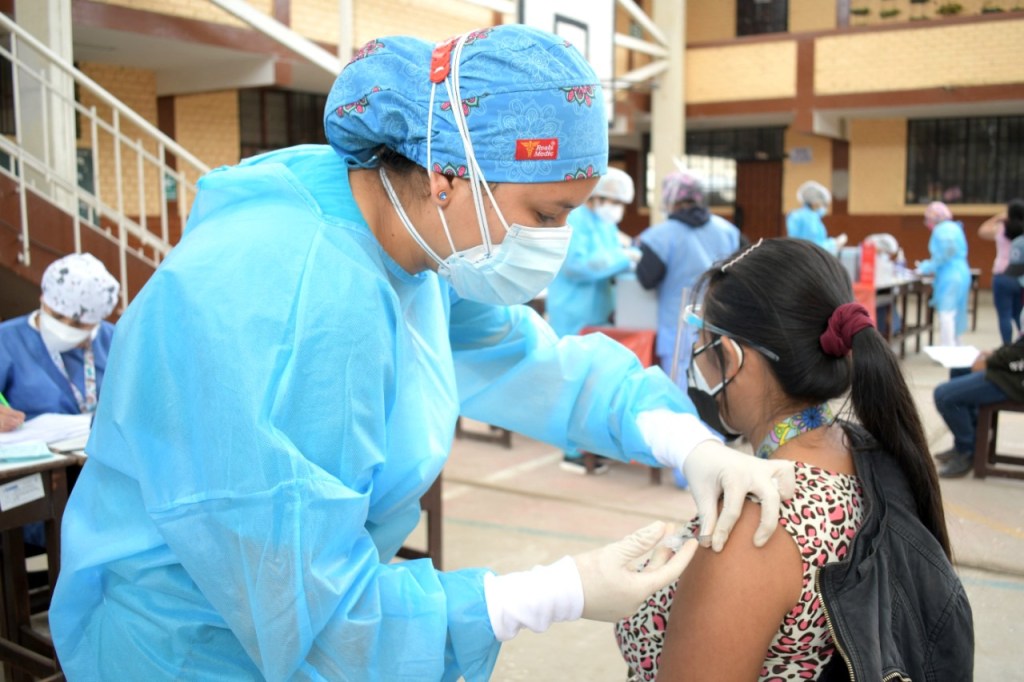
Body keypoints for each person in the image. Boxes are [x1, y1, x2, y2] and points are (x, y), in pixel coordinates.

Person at [49, 26, 795, 681]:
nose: (557, 244)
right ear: (445, 177)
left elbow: (531, 363)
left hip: (296, 607)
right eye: (545, 214)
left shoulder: (416, 248)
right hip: (192, 644)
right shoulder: (278, 296)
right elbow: (310, 607)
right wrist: (556, 591)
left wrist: (689, 445)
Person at [614, 238, 974, 681]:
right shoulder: (865, 450)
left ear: (730, 356)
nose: (696, 364)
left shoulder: (755, 526)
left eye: (701, 343)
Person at [636, 170, 740, 380]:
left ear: (670, 200)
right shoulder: (728, 230)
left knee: (679, 391)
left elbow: (646, 279)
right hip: (719, 324)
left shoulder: (660, 236)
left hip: (678, 330)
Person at [0, 252, 118, 432]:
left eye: (79, 324)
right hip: (38, 455)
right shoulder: (7, 341)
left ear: (97, 320)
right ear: (42, 298)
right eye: (57, 315)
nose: (65, 327)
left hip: (101, 453)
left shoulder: (115, 341)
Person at [546, 166, 636, 337]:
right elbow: (576, 266)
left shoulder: (606, 224)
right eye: (614, 202)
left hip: (599, 314)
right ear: (596, 197)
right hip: (571, 314)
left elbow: (610, 260)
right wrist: (624, 258)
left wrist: (631, 260)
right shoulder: (574, 219)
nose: (618, 209)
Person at [932, 330, 1024, 477]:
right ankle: (974, 439)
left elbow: (1018, 356)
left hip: (1014, 380)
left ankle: (967, 450)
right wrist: (994, 353)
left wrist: (990, 362)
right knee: (959, 369)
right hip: (1011, 369)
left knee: (943, 395)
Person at [916, 201, 971, 347]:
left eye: (928, 219)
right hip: (962, 272)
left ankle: (948, 349)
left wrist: (926, 267)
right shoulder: (954, 227)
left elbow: (945, 253)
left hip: (951, 275)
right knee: (957, 311)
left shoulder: (942, 230)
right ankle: (956, 344)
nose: (927, 223)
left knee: (947, 313)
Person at [978, 199, 1024, 345]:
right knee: (1019, 314)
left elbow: (982, 231)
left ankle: (1006, 346)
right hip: (1021, 277)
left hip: (1002, 275)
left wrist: (999, 216)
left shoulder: (1001, 228)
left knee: (1004, 315)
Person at [785, 180, 848, 255]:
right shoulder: (809, 218)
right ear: (815, 203)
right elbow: (812, 246)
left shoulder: (797, 215)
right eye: (823, 204)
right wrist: (835, 243)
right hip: (806, 260)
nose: (823, 208)